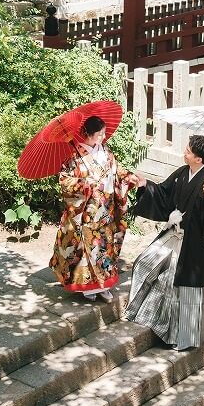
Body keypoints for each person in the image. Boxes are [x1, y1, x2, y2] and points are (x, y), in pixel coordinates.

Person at [125, 135, 204, 350]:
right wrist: (145, 183)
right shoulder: (183, 173)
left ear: (199, 159)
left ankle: (185, 338)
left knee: (186, 290)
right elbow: (164, 193)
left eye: (188, 151)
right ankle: (141, 313)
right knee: (144, 263)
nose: (185, 153)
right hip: (173, 235)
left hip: (193, 248)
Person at [49, 115, 137, 300]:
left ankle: (103, 285)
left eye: (104, 133)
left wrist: (127, 176)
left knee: (104, 246)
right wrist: (83, 183)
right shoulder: (75, 156)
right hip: (87, 210)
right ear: (88, 134)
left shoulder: (105, 150)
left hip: (107, 207)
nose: (103, 138)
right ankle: (89, 287)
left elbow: (116, 170)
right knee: (88, 247)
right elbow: (65, 181)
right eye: (99, 134)